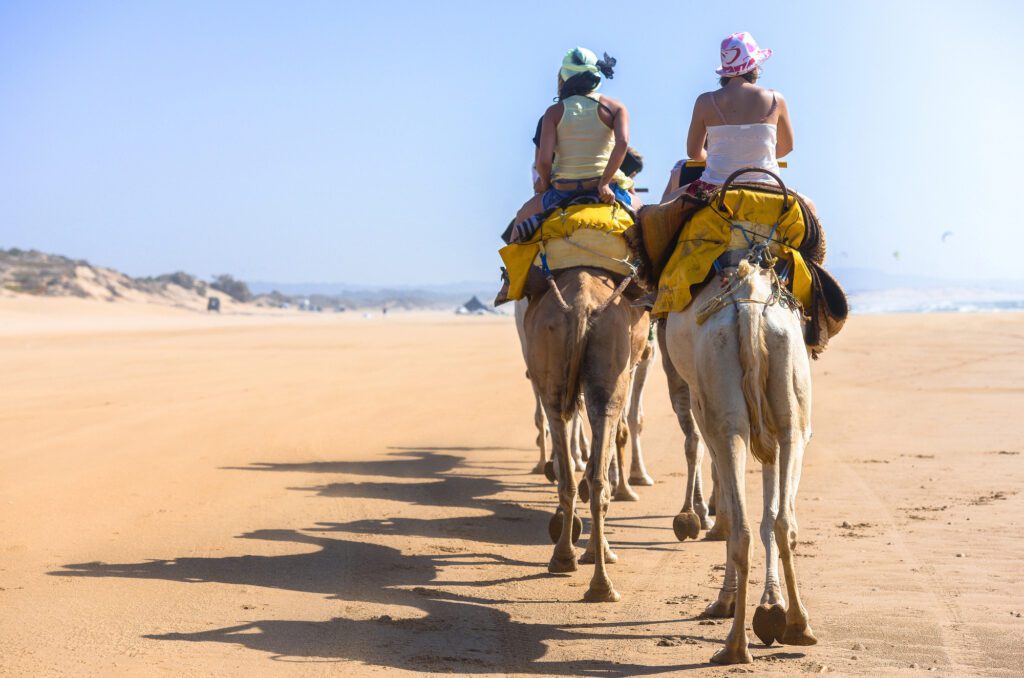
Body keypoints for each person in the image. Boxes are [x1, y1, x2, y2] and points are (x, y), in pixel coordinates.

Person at [663, 32, 793, 203]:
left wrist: (713, 158)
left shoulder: (705, 101)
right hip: (768, 187)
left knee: (660, 209)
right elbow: (786, 147)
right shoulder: (777, 99)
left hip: (713, 188)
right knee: (810, 209)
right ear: (754, 67)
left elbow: (693, 152)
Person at [513, 47, 633, 225]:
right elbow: (622, 144)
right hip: (605, 190)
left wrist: (545, 184)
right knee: (644, 223)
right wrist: (605, 183)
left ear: (565, 76)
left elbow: (544, 162)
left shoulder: (553, 113)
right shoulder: (615, 107)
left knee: (520, 221)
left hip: (562, 192)